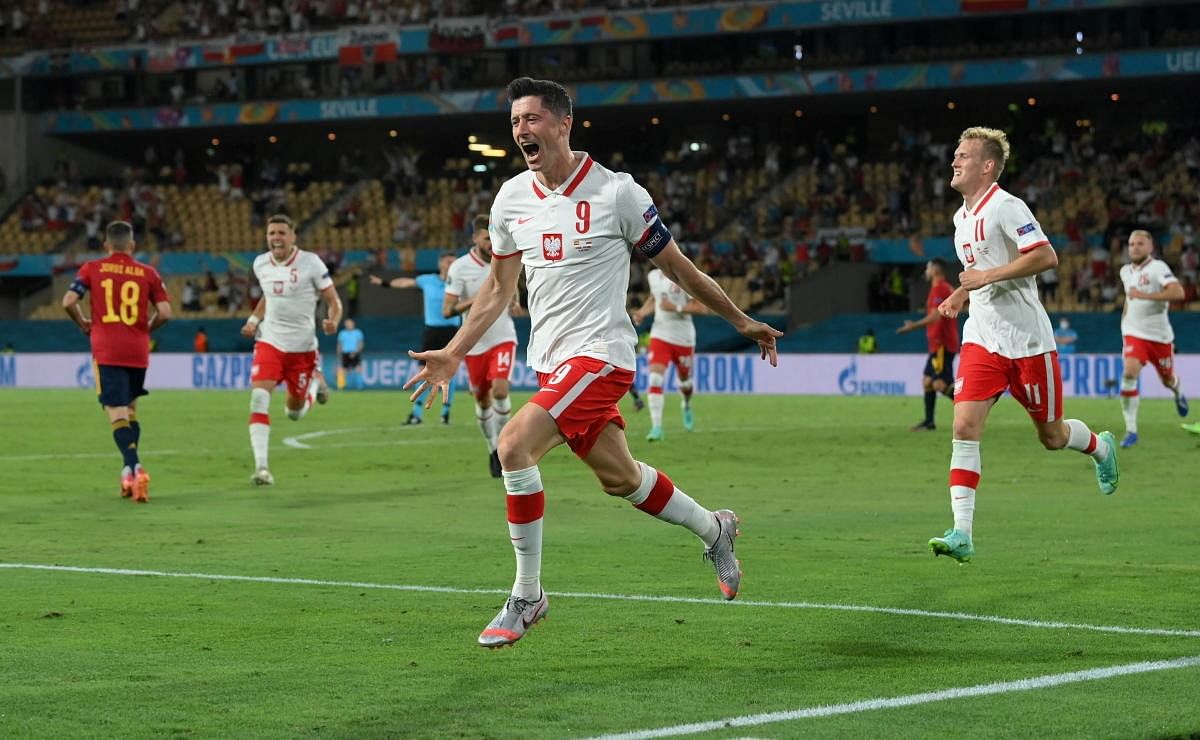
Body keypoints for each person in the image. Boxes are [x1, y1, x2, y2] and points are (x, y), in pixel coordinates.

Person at [403, 77, 782, 648]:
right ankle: (715, 528)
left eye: (531, 119)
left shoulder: (618, 193)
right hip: (555, 366)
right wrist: (454, 353)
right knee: (623, 479)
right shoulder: (510, 199)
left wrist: (739, 319)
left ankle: (527, 595)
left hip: (602, 357)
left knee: (512, 445)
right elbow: (497, 291)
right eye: (514, 122)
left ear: (562, 123)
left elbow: (679, 268)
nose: (521, 131)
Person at [928, 126, 1119, 564]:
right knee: (963, 428)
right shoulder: (961, 217)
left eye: (963, 156)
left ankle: (1100, 445)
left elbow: (1045, 256)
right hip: (982, 338)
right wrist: (962, 293)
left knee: (1051, 437)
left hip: (1028, 342)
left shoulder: (1007, 206)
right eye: (955, 154)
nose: (954, 161)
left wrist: (983, 278)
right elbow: (978, 269)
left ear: (988, 166)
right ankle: (962, 532)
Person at [62, 220, 172, 503]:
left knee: (116, 415)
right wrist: (145, 327)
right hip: (137, 350)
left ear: (106, 245)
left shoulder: (91, 268)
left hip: (107, 348)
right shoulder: (148, 272)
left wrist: (82, 323)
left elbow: (68, 301)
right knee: (131, 411)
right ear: (132, 245)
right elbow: (165, 313)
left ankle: (136, 468)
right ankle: (126, 472)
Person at [240, 214, 342, 486]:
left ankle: (313, 386)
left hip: (302, 349)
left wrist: (334, 319)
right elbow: (268, 296)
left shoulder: (311, 263)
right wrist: (253, 320)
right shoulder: (260, 263)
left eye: (282, 233)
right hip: (270, 342)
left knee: (293, 413)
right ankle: (262, 468)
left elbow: (334, 300)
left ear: (293, 236)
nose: (276, 237)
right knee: (259, 398)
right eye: (272, 232)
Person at [444, 214, 521, 478]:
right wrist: (478, 299)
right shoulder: (459, 268)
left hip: (503, 337)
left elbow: (510, 284)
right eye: (487, 238)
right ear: (475, 237)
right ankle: (491, 448)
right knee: (483, 400)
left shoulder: (505, 259)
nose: (492, 243)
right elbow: (448, 310)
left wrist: (514, 299)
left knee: (500, 390)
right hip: (474, 343)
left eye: (494, 238)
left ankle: (504, 447)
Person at [1117, 229, 1188, 448]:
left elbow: (1179, 294)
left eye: (1140, 244)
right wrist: (1125, 329)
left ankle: (1178, 392)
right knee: (1129, 372)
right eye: (1131, 244)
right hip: (1134, 333)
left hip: (1159, 336)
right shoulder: (1125, 271)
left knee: (1167, 380)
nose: (1134, 248)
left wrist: (1145, 295)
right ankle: (1131, 430)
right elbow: (1130, 301)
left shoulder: (1158, 268)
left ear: (1150, 247)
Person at [370, 252, 460, 424]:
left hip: (452, 332)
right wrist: (384, 283)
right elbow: (405, 282)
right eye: (448, 261)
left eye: (454, 262)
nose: (451, 265)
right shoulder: (428, 280)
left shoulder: (460, 282)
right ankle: (416, 413)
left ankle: (445, 413)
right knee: (424, 372)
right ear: (440, 263)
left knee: (449, 374)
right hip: (432, 331)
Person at [631, 266, 707, 440]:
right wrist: (643, 312)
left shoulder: (685, 275)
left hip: (684, 339)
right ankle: (656, 427)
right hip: (660, 335)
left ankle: (686, 404)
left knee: (685, 382)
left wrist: (675, 307)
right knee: (655, 378)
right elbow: (654, 298)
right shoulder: (652, 276)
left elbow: (702, 308)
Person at [897, 258, 959, 431]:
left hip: (942, 344)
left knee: (940, 384)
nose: (926, 270)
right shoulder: (942, 288)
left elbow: (936, 316)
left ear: (935, 269)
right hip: (938, 344)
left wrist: (913, 326)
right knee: (927, 382)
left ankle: (971, 408)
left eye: (928, 267)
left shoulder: (940, 288)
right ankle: (929, 422)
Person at [336, 317, 366, 390]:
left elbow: (361, 343)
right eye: (346, 323)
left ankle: (360, 387)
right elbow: (339, 344)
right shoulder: (342, 333)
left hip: (355, 352)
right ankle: (342, 386)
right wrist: (338, 353)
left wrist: (356, 351)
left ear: (353, 324)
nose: (348, 325)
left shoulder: (358, 332)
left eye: (349, 323)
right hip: (345, 353)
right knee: (343, 370)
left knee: (358, 369)